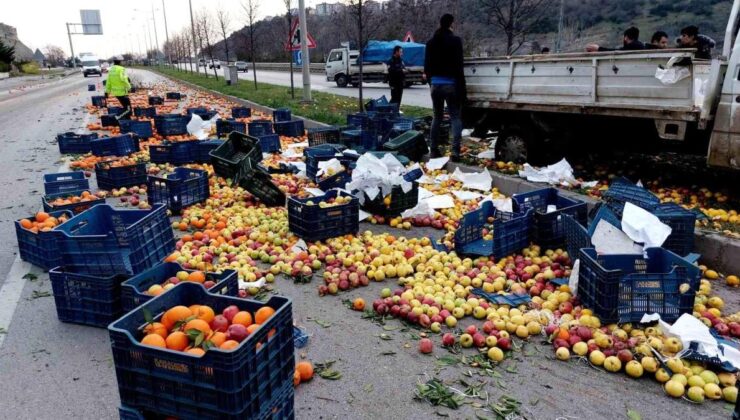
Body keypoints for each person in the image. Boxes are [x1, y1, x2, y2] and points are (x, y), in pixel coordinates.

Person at [424, 13, 465, 161]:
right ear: (451, 24)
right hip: (450, 84)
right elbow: (459, 66)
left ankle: (433, 150)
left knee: (437, 116)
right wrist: (462, 88)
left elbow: (427, 67)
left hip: (435, 84)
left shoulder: (431, 43)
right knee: (455, 116)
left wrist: (431, 82)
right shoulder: (455, 41)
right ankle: (455, 152)